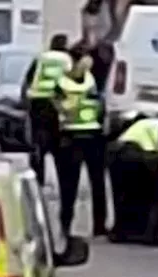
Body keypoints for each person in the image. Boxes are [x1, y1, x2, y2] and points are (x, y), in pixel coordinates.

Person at [51, 46, 107, 237]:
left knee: (98, 183)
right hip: (71, 137)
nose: (87, 64)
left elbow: (100, 105)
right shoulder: (62, 83)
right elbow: (55, 107)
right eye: (83, 60)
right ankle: (65, 224)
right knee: (68, 186)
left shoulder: (91, 79)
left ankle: (99, 225)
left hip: (92, 135)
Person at [107, 112, 158, 243]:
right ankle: (150, 234)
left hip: (117, 155)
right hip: (139, 157)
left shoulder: (147, 124)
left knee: (125, 196)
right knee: (157, 194)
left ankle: (122, 232)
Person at [22, 34, 72, 188]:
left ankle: (39, 178)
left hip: (38, 102)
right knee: (59, 143)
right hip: (57, 104)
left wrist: (25, 101)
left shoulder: (41, 58)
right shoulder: (67, 59)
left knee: (38, 141)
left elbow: (29, 80)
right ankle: (63, 179)